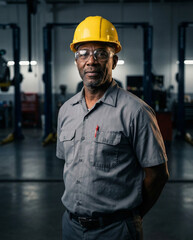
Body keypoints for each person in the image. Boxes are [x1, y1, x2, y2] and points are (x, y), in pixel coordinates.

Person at [56, 16, 169, 240]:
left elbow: (157, 174)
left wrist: (131, 217)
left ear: (114, 61)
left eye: (101, 53)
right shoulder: (66, 110)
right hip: (71, 228)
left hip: (116, 231)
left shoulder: (136, 111)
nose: (91, 61)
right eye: (83, 53)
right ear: (76, 61)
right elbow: (68, 164)